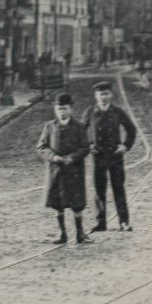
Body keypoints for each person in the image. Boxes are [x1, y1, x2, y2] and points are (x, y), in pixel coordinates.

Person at [82, 80, 139, 232]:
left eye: (106, 94)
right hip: (98, 156)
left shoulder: (118, 112)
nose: (103, 97)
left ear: (111, 95)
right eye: (101, 94)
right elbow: (81, 131)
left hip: (115, 157)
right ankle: (100, 223)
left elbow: (131, 129)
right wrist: (89, 145)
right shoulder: (90, 112)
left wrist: (125, 146)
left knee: (118, 188)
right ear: (96, 96)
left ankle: (124, 222)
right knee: (99, 190)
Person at [36, 93, 93, 245]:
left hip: (74, 171)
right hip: (56, 171)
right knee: (58, 204)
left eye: (65, 109)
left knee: (77, 204)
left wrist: (72, 157)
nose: (62, 112)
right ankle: (62, 234)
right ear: (55, 110)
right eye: (59, 109)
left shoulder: (79, 127)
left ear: (71, 109)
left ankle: (80, 233)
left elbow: (85, 147)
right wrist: (54, 157)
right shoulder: (49, 126)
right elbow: (41, 147)